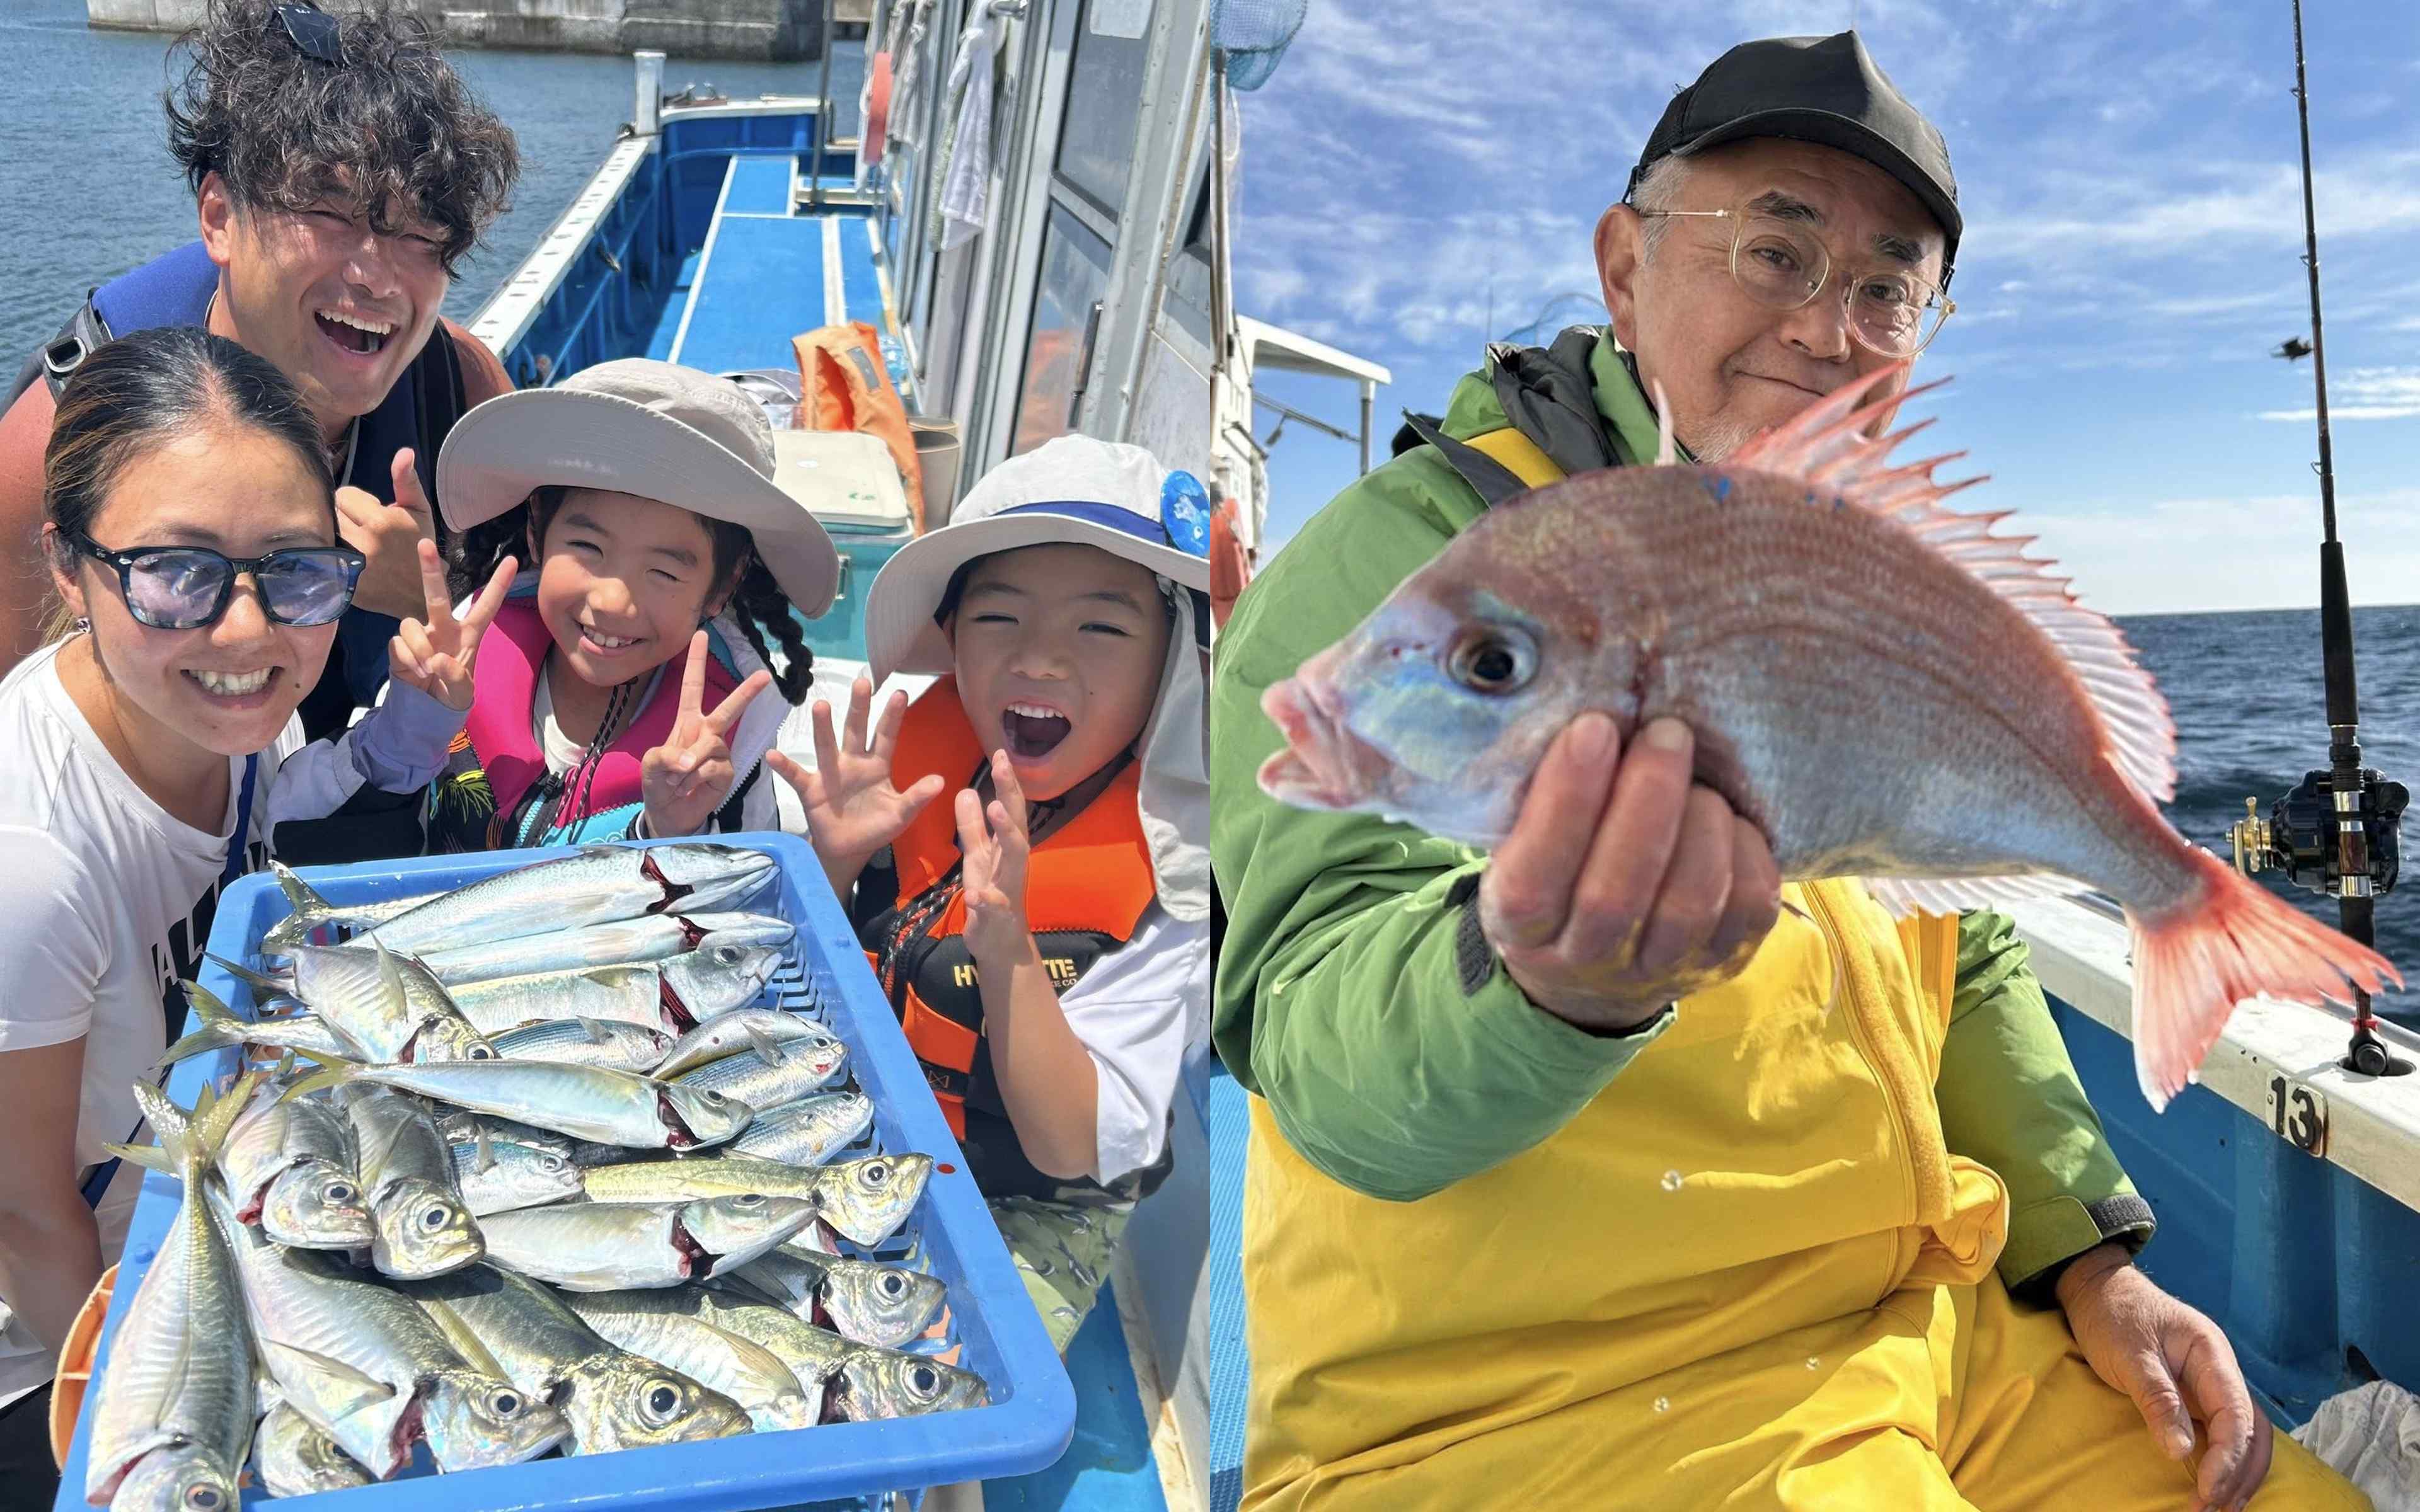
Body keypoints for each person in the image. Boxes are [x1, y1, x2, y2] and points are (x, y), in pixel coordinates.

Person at [1210, 31, 2370, 1512]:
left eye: (1885, 287)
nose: (1829, 327)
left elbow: (1961, 945)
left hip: (1923, 1335)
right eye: (1774, 249)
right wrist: (1555, 986)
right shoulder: (1408, 564)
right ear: (1623, 269)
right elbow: (1312, 1043)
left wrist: (2086, 1254)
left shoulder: (1861, 567)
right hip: (1518, 1406)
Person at [0, 327, 509, 1498]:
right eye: (175, 572)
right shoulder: (34, 856)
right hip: (71, 1334)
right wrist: (156, 1392)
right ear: (71, 566)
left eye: (296, 567)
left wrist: (413, 725)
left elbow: (274, 796)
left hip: (217, 1197)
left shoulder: (217, 706)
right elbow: (25, 1215)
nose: (245, 631)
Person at [0, 0, 519, 791]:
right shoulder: (58, 444)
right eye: (328, 213)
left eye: (420, 233)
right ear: (219, 216)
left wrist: (423, 593)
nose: (376, 276)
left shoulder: (461, 388)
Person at [773, 435, 1209, 1351]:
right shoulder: (905, 766)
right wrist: (834, 864)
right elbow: (795, 984)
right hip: (864, 1133)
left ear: (1170, 664)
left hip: (1029, 1207)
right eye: (999, 619)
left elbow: (1066, 1147)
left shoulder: (1171, 883)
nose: (1041, 661)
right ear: (954, 642)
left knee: (941, 1377)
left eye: (1101, 628)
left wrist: (1005, 950)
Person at [429, 358, 840, 849]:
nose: (612, 602)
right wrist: (410, 723)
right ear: (538, 530)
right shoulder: (458, 652)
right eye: (588, 548)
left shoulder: (727, 740)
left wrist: (678, 830)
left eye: (664, 573)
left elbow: (741, 895)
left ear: (722, 586)